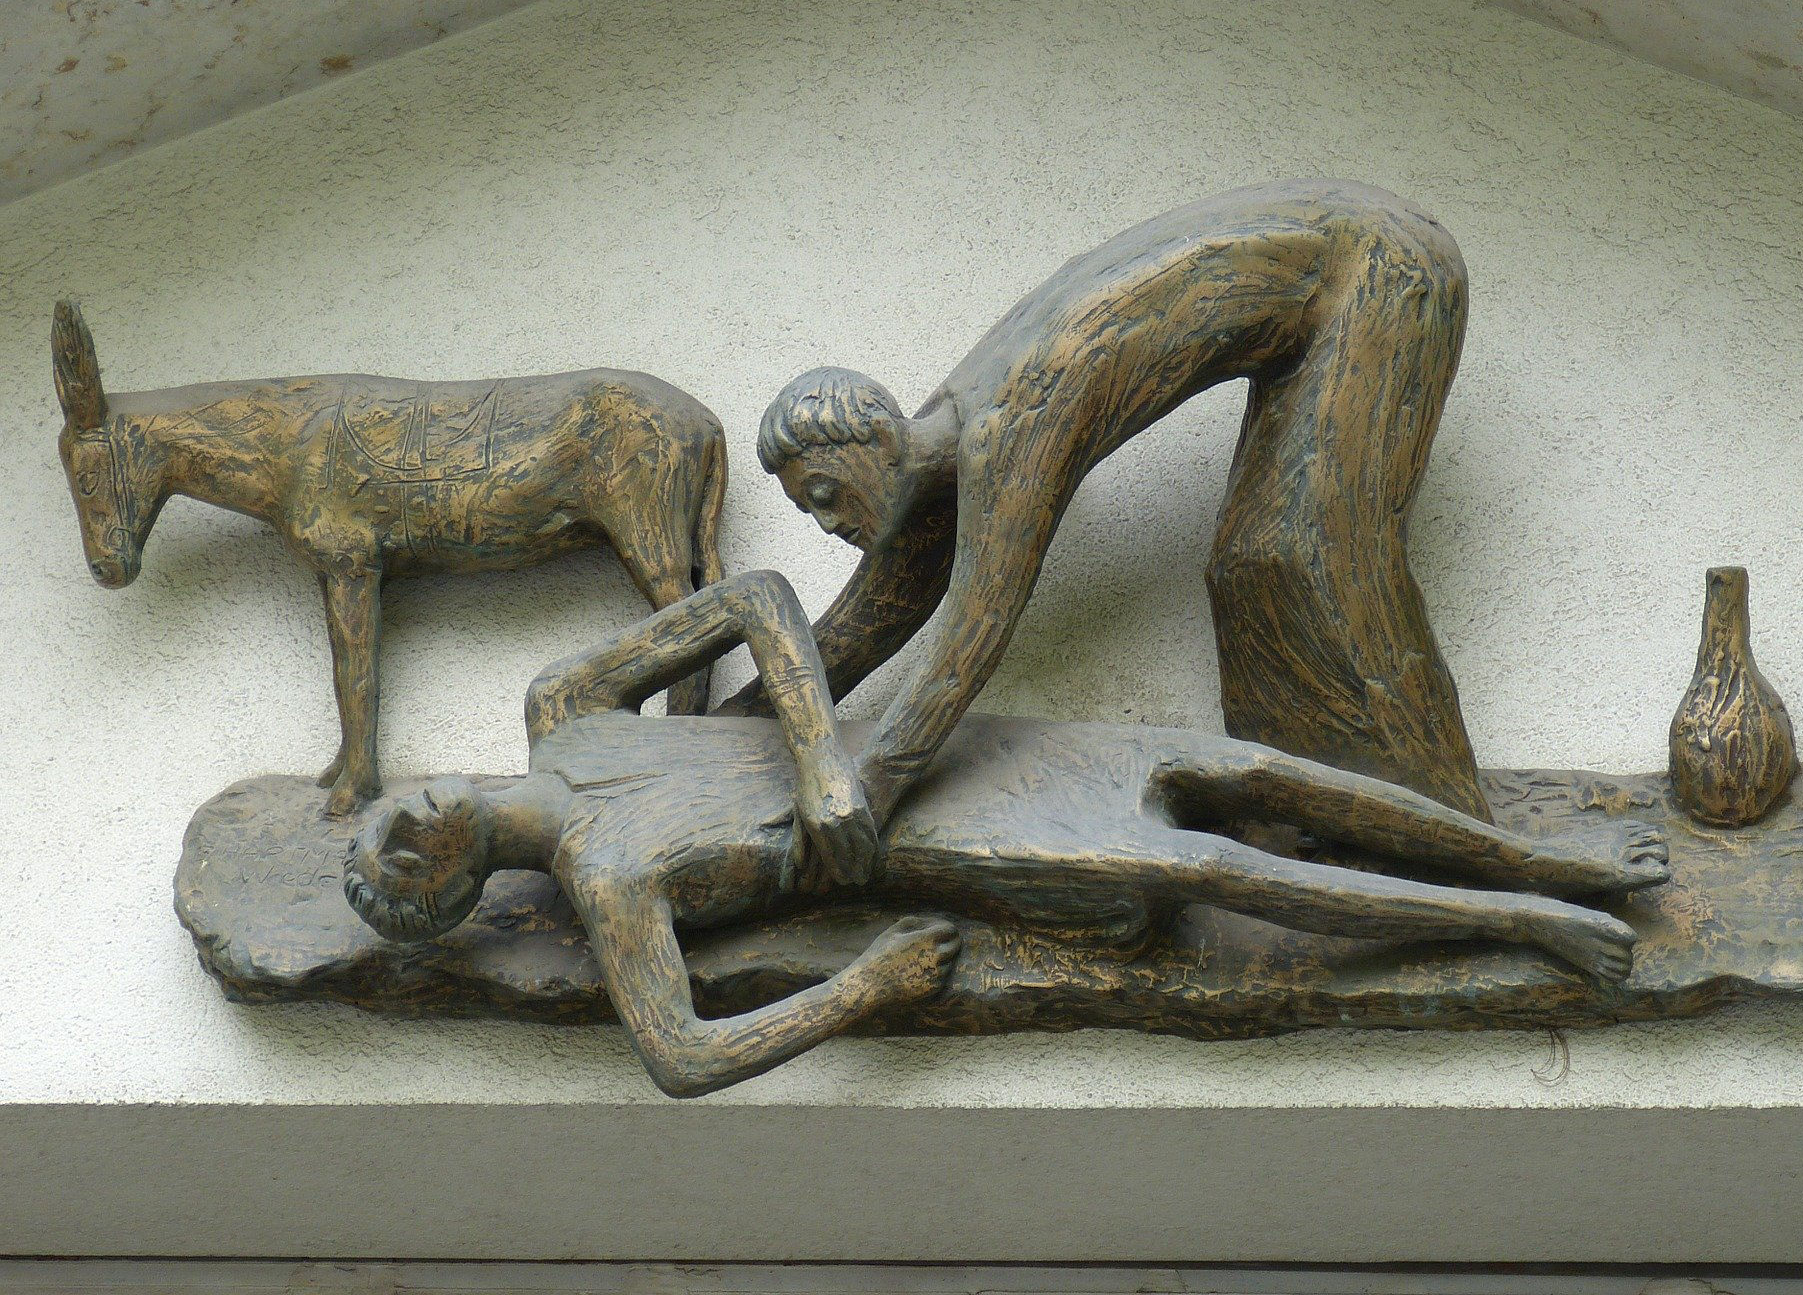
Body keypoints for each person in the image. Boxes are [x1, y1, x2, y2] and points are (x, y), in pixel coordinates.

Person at [344, 571, 1666, 1098]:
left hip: (951, 752)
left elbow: (755, 601)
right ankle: (1526, 922)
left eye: (381, 816)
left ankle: (1542, 860)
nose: (403, 820)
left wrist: (821, 763)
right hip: (956, 848)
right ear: (451, 894)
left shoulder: (566, 708)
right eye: (401, 861)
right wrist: (866, 989)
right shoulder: (609, 880)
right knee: (1217, 870)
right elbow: (681, 1054)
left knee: (1251, 769)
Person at [728, 181, 1491, 874]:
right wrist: (721, 728)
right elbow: (873, 616)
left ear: (876, 439)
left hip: (1382, 268)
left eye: (826, 493)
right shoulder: (939, 449)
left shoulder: (1005, 426)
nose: (826, 522)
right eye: (808, 509)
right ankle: (1317, 822)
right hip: (1319, 288)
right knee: (1250, 563)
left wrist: (866, 791)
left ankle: (1450, 829)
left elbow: (971, 640)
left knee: (1297, 554)